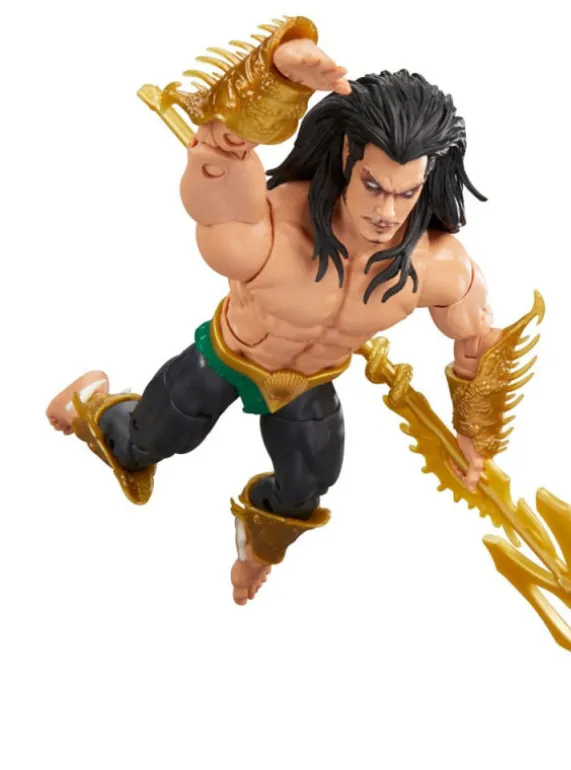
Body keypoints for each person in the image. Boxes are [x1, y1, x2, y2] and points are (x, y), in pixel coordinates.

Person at [46, 16, 510, 606]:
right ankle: (90, 404)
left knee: (307, 485)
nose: (388, 213)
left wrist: (474, 438)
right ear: (348, 156)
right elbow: (218, 180)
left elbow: (478, 340)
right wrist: (270, 83)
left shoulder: (438, 266)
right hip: (229, 356)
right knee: (147, 442)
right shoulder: (274, 228)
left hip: (308, 382)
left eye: (406, 192)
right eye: (373, 186)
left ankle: (257, 548)